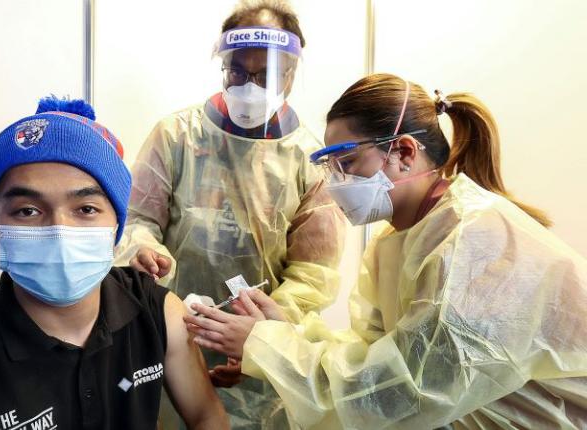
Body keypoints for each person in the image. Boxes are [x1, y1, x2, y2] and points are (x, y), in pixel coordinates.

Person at [185, 73, 587, 429]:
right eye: (329, 168)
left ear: (405, 153)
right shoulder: (397, 241)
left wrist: (267, 347)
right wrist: (287, 333)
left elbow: (404, 396)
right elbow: (372, 353)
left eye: (347, 162)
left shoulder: (475, 241)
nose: (336, 182)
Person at [0, 97, 229, 429]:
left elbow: (206, 416)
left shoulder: (156, 312)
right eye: (28, 211)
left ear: (117, 226)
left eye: (86, 209)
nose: (60, 230)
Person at [114, 1, 347, 428]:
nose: (249, 87)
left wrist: (259, 342)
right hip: (172, 331)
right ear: (223, 65)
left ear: (292, 74)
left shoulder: (309, 160)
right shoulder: (177, 136)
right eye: (238, 72)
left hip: (257, 351)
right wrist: (143, 248)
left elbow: (312, 276)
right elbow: (136, 219)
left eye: (266, 76)